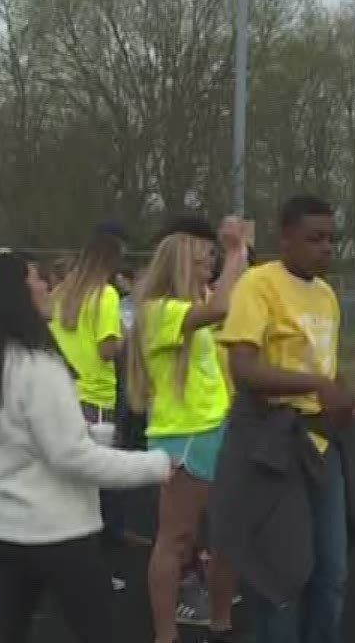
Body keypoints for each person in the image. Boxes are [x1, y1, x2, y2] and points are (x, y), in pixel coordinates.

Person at [0, 250, 170, 642]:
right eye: (37, 279)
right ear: (19, 294)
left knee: (8, 632)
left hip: (7, 531)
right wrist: (157, 465)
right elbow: (71, 456)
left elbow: (32, 444)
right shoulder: (39, 367)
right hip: (57, 533)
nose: (47, 286)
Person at [212, 193, 355, 643]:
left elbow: (325, 366)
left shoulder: (327, 296)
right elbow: (244, 368)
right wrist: (315, 386)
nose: (326, 248)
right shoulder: (259, 284)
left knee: (332, 571)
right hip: (273, 443)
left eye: (332, 239)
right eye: (315, 238)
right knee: (281, 575)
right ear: (287, 239)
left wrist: (340, 393)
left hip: (320, 443)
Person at [129, 216, 248, 643]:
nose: (210, 270)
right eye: (202, 263)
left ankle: (220, 622)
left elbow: (226, 307)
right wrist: (237, 253)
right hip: (184, 434)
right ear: (180, 266)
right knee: (176, 538)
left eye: (212, 261)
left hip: (214, 427)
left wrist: (236, 260)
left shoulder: (190, 306)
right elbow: (220, 307)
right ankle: (167, 634)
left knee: (228, 533)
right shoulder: (159, 310)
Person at [47, 227, 131, 568]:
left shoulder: (62, 292)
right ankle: (84, 571)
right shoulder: (106, 295)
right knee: (88, 495)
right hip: (94, 401)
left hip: (60, 396)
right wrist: (131, 338)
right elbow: (107, 349)